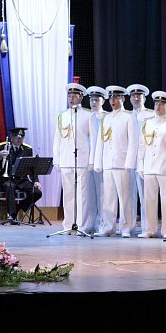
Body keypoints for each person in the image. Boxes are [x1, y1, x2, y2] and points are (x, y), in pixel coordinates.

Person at [136, 90, 166, 238]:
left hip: (165, 167)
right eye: (156, 103)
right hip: (149, 166)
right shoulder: (148, 123)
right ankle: (150, 230)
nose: (158, 106)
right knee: (149, 200)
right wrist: (140, 165)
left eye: (162, 104)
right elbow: (142, 146)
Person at [93, 85, 137, 237]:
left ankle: (126, 228)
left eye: (116, 98)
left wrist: (129, 163)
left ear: (122, 99)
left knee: (125, 198)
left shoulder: (129, 117)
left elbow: (133, 142)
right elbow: (100, 142)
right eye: (111, 98)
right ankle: (108, 227)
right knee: (108, 198)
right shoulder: (106, 118)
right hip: (108, 163)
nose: (113, 101)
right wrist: (98, 162)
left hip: (122, 163)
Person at [53, 83, 93, 231]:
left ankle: (82, 225)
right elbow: (57, 139)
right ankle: (68, 224)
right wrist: (56, 159)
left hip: (82, 160)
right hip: (66, 160)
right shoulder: (62, 116)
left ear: (81, 97)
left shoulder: (88, 115)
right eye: (69, 95)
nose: (71, 98)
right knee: (68, 194)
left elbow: (93, 140)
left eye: (74, 96)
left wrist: (91, 160)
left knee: (82, 195)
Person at [0, 127, 42, 222]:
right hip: (7, 179)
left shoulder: (27, 149)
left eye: (21, 137)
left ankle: (18, 208)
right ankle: (12, 215)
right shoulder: (2, 146)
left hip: (21, 179)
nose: (19, 139)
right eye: (16, 137)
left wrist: (36, 181)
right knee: (9, 186)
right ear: (11, 137)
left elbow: (31, 167)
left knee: (37, 192)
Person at [127, 83, 154, 232]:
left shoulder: (151, 115)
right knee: (128, 196)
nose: (136, 98)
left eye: (139, 96)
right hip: (127, 160)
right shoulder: (126, 115)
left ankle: (146, 227)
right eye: (133, 96)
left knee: (145, 196)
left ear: (144, 98)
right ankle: (128, 227)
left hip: (145, 159)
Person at [86, 86, 108, 232]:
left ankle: (102, 224)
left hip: (102, 159)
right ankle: (89, 224)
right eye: (92, 100)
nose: (94, 103)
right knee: (89, 195)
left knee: (102, 195)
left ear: (102, 101)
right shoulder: (86, 116)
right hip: (86, 160)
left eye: (97, 100)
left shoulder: (106, 117)